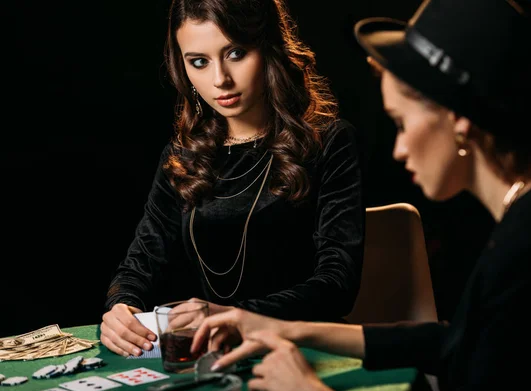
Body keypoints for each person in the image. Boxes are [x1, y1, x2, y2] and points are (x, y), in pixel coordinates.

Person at [190, 0, 531, 391]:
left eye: (401, 123)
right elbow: (460, 341)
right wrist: (283, 328)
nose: (399, 149)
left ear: (458, 120)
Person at [100, 0, 365, 358]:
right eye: (199, 62)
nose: (220, 79)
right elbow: (141, 263)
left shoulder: (328, 141)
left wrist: (237, 316)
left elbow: (337, 284)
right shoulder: (182, 156)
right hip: (211, 352)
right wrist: (121, 307)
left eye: (236, 53)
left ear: (268, 47)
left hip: (304, 348)